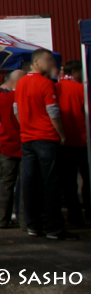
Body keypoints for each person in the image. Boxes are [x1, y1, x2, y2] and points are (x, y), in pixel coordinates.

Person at [15, 49, 74, 239]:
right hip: (46, 137)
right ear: (37, 62)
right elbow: (53, 112)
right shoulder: (46, 84)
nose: (52, 64)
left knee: (31, 182)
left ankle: (33, 224)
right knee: (50, 183)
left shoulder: (21, 83)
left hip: (28, 138)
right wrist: (62, 135)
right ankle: (54, 227)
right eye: (48, 60)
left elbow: (16, 109)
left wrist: (24, 125)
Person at [0, 69, 23, 228]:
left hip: (7, 145)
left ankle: (1, 219)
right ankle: (26, 220)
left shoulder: (2, 98)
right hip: (26, 145)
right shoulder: (25, 97)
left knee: (6, 184)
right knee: (25, 184)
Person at [58, 60, 89, 227]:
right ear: (76, 71)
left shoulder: (55, 88)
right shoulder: (81, 89)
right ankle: (89, 211)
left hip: (63, 142)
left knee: (68, 183)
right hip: (83, 141)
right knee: (87, 179)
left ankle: (74, 216)